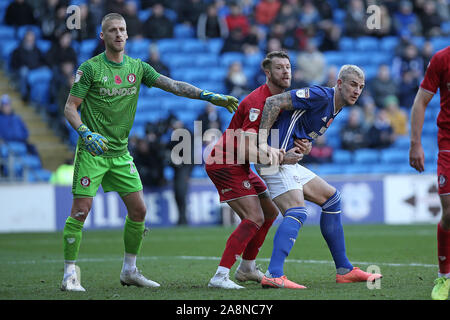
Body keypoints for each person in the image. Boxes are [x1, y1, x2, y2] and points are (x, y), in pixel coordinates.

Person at [60, 13, 239, 292]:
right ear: (102, 36)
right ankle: (70, 274)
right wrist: (85, 132)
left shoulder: (138, 67)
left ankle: (130, 270)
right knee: (81, 211)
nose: (119, 34)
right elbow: (70, 107)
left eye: (122, 29)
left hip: (120, 153)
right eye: (112, 30)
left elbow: (174, 86)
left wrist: (208, 96)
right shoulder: (91, 69)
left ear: (128, 34)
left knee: (139, 210)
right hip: (93, 152)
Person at [256, 65, 383, 288]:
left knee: (332, 199)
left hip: (287, 161)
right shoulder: (320, 95)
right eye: (353, 84)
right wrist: (262, 145)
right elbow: (272, 102)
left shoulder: (336, 107)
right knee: (297, 210)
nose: (357, 90)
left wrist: (305, 144)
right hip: (274, 160)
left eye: (361, 87)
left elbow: (297, 126)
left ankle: (344, 269)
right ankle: (274, 273)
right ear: (340, 83)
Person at [205, 51, 307, 289]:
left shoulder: (280, 101)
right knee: (254, 217)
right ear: (268, 73)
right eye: (280, 68)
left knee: (269, 212)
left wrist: (302, 144)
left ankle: (247, 268)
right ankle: (220, 276)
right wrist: (282, 158)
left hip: (240, 163)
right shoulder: (256, 103)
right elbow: (248, 149)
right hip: (225, 161)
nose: (286, 72)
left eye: (288, 67)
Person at [409, 45, 450, 300]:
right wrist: (415, 143)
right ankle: (444, 277)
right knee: (449, 213)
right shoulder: (442, 59)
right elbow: (421, 101)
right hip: (448, 143)